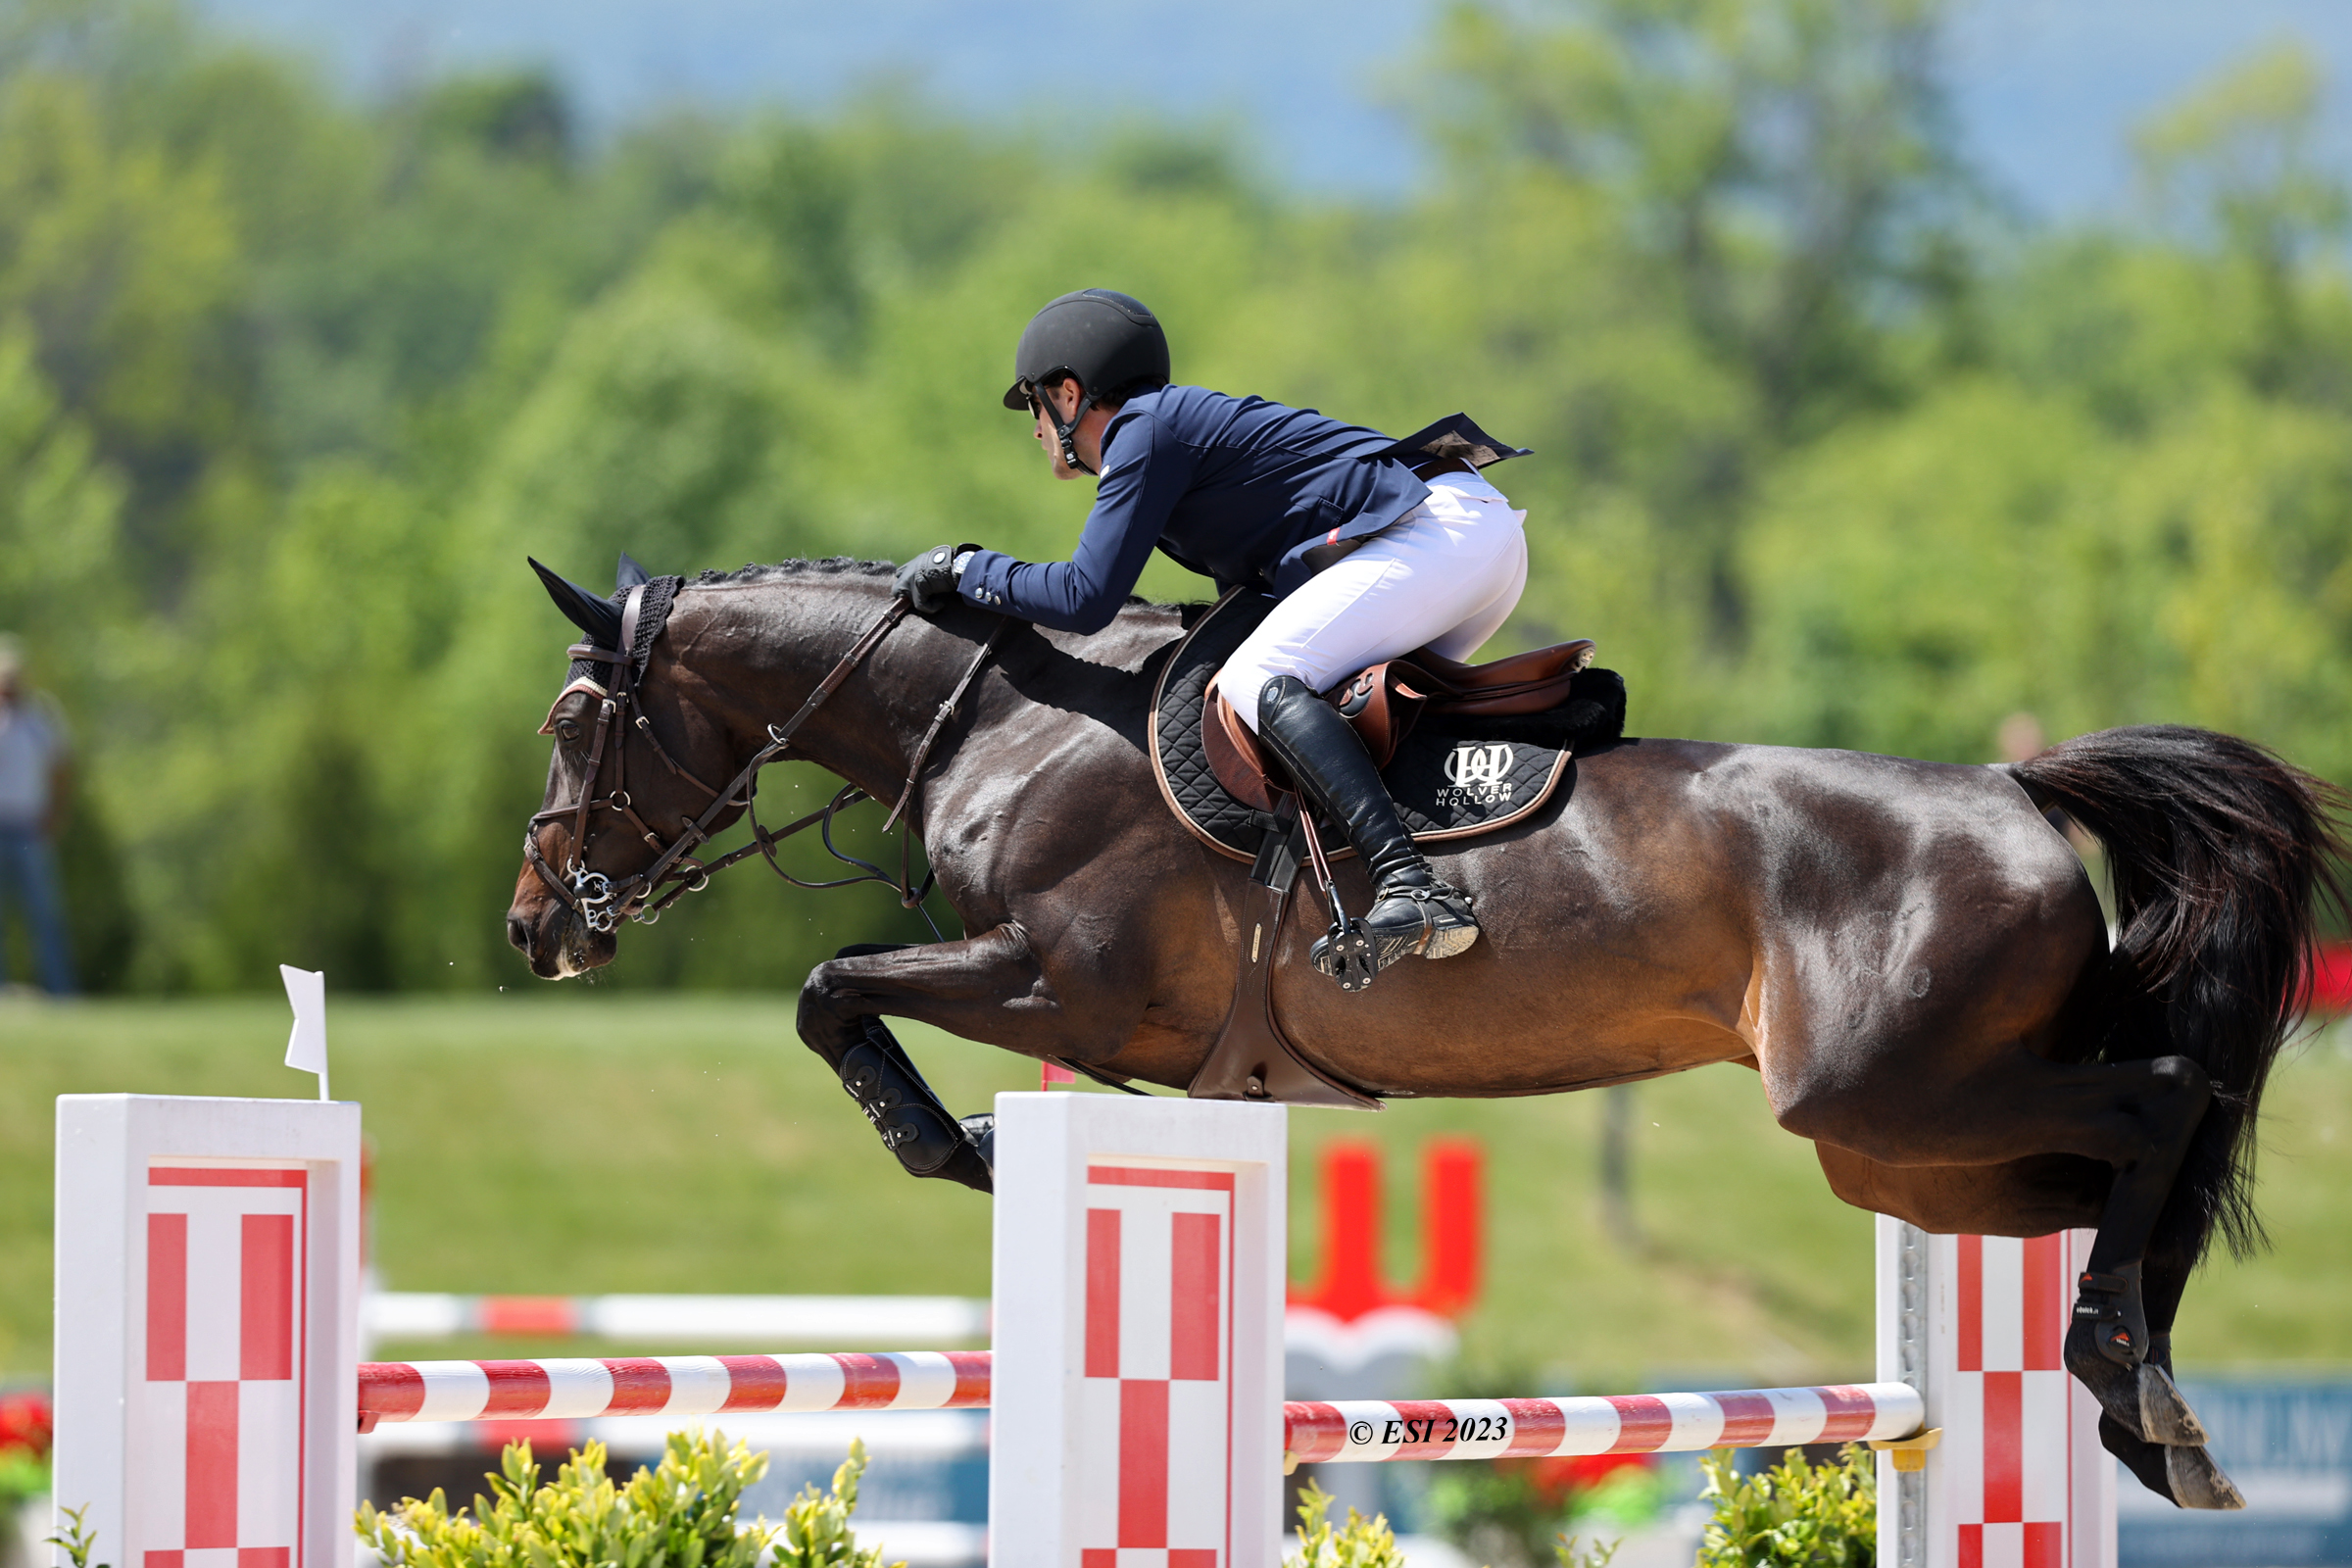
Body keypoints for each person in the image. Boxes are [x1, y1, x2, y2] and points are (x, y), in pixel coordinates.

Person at [895, 289, 1531, 980]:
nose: (1037, 429)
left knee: (1256, 681)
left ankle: (1411, 887)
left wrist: (967, 567)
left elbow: (1084, 598)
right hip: (1471, 541)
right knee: (1340, 716)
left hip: (1435, 534)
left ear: (1070, 393)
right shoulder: (1165, 430)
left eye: (1036, 406)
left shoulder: (1142, 430)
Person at [0, 636, 77, 995]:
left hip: (30, 827)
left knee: (45, 915)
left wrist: (55, 815)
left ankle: (60, 991)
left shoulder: (40, 718)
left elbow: (61, 769)